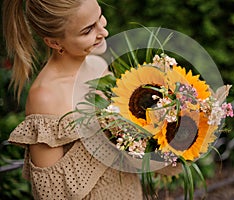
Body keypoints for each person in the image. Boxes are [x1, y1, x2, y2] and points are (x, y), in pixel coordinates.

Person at [2, 0, 145, 199]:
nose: (103, 32)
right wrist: (108, 136)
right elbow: (51, 194)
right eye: (87, 30)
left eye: (100, 17)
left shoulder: (98, 65)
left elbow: (123, 155)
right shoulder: (45, 97)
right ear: (54, 42)